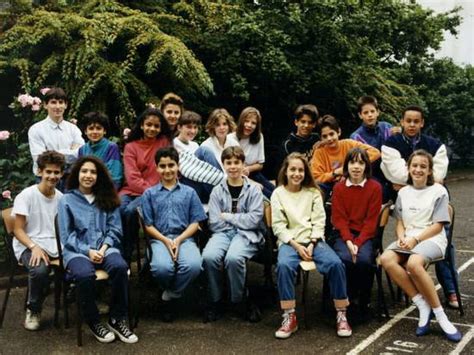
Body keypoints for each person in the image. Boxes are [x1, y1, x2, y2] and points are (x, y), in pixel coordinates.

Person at [380, 150, 461, 342]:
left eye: (423, 167)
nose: (418, 170)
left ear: (430, 171)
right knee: (386, 259)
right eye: (414, 166)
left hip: (432, 239)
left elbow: (438, 225)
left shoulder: (439, 191)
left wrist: (415, 240)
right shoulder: (403, 192)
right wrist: (401, 237)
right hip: (408, 238)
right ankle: (422, 305)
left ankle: (441, 316)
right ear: (408, 168)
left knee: (414, 263)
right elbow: (400, 222)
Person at [380, 105, 457, 308]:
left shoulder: (435, 144)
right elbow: (393, 171)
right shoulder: (391, 143)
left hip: (433, 202)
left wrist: (407, 179)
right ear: (402, 122)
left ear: (422, 123)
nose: (412, 125)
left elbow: (437, 175)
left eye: (416, 121)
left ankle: (450, 290)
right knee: (403, 244)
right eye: (408, 121)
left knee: (445, 245)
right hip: (408, 203)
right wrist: (417, 178)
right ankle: (411, 288)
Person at [58, 156, 138, 344]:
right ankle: (93, 321)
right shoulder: (66, 200)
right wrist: (88, 252)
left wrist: (103, 248)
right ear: (77, 174)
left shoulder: (108, 197)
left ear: (99, 175)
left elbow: (115, 229)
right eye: (84, 171)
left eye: (93, 172)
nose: (88, 175)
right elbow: (67, 236)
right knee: (84, 275)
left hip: (105, 248)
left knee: (120, 267)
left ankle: (117, 318)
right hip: (77, 251)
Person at [271, 153, 351, 339]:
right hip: (290, 241)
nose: (297, 173)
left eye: (300, 170)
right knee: (283, 266)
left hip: (314, 241)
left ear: (305, 172)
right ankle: (289, 316)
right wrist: (296, 245)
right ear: (286, 171)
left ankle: (341, 313)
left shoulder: (313, 193)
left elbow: (319, 221)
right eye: (293, 169)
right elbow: (278, 226)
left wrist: (313, 243)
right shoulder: (278, 193)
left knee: (336, 264)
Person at [141, 147, 207, 322]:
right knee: (162, 268)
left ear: (178, 166)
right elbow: (148, 225)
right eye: (162, 166)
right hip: (159, 239)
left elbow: (196, 222)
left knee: (193, 265)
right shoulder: (149, 194)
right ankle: (170, 291)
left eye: (171, 165)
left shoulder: (189, 192)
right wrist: (166, 241)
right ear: (156, 168)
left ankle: (169, 296)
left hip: (184, 238)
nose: (167, 170)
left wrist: (178, 240)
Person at [202, 146, 264, 322]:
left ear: (243, 164)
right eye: (228, 163)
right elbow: (214, 222)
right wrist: (236, 221)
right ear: (223, 165)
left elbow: (254, 220)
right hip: (222, 233)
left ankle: (239, 299)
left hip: (247, 234)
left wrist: (228, 216)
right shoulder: (217, 190)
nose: (233, 167)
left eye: (237, 162)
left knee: (233, 258)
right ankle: (215, 299)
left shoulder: (253, 190)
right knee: (209, 256)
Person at [12, 151, 65, 330]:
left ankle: (78, 302)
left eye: (56, 172)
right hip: (28, 243)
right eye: (48, 171)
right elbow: (17, 229)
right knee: (40, 270)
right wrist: (33, 246)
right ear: (40, 172)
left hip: (54, 245)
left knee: (78, 262)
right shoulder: (27, 195)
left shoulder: (61, 198)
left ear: (62, 174)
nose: (52, 176)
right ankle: (33, 309)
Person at [331, 148, 382, 314]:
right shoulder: (339, 188)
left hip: (364, 235)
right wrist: (348, 241)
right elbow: (339, 219)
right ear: (347, 165)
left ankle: (363, 300)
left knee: (364, 260)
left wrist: (358, 243)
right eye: (353, 162)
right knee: (343, 259)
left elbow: (371, 222)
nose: (356, 167)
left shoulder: (374, 187)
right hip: (344, 235)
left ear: (366, 166)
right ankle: (344, 300)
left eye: (361, 162)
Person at [119, 107, 171, 262]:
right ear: (141, 125)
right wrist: (148, 190)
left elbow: (167, 169)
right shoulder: (131, 146)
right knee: (118, 208)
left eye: (156, 126)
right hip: (131, 190)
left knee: (130, 211)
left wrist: (152, 191)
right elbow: (132, 177)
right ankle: (117, 253)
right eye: (149, 124)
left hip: (157, 191)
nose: (152, 129)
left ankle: (126, 256)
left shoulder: (164, 143)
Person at [28, 87, 84, 190]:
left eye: (61, 102)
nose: (57, 106)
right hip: (45, 178)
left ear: (66, 105)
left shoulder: (73, 129)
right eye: (53, 102)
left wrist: (52, 153)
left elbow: (81, 154)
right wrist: (69, 152)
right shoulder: (36, 129)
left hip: (69, 179)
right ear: (45, 105)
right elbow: (40, 159)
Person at [311, 115, 380, 198]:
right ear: (321, 138)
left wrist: (349, 168)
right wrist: (335, 173)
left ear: (338, 132)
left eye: (331, 134)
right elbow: (317, 177)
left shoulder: (348, 144)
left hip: (351, 180)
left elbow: (375, 152)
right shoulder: (319, 152)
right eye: (324, 136)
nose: (329, 138)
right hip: (328, 185)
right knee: (317, 189)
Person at [350, 96, 400, 201]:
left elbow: (398, 149)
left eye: (372, 111)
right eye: (366, 112)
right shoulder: (355, 137)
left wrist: (401, 133)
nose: (370, 115)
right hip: (370, 174)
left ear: (378, 112)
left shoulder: (387, 127)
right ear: (360, 115)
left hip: (391, 171)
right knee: (380, 191)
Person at [173, 111, 226, 203]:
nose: (193, 131)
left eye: (195, 127)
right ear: (179, 127)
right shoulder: (174, 144)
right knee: (204, 150)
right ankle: (225, 189)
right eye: (189, 127)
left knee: (204, 153)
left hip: (202, 184)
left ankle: (222, 191)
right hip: (186, 184)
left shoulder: (195, 145)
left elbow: (204, 169)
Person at [229, 107, 275, 198]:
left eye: (253, 123)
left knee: (276, 192)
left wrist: (249, 169)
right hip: (239, 177)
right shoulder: (231, 138)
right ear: (241, 121)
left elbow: (260, 164)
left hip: (254, 173)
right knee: (269, 196)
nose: (249, 125)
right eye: (246, 121)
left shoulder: (259, 137)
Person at [78, 111, 123, 189]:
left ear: (104, 131)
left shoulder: (111, 147)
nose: (95, 132)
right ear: (85, 131)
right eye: (91, 128)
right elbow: (79, 174)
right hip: (85, 189)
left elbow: (115, 177)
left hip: (107, 190)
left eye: (98, 128)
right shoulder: (82, 150)